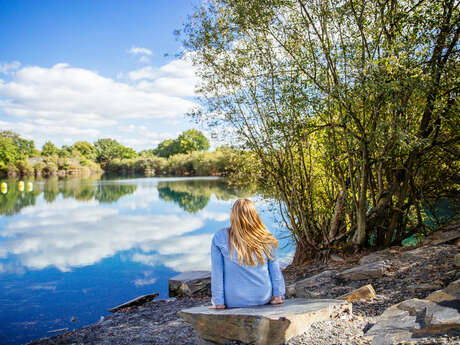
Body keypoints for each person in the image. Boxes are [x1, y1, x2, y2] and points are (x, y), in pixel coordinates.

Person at [210, 198, 285, 309]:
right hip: (263, 297)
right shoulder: (266, 237)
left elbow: (217, 273)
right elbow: (274, 270)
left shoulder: (220, 237)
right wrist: (278, 296)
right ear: (254, 215)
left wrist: (219, 303)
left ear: (233, 215)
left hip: (234, 300)